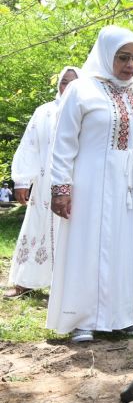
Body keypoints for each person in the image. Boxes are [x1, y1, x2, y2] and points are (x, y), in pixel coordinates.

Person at [47, 26, 133, 342]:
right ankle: (84, 320)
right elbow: (63, 143)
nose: (130, 65)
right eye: (122, 57)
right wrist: (61, 187)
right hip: (90, 185)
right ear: (105, 55)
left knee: (131, 246)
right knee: (90, 246)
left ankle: (128, 316)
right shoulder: (81, 91)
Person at [5, 67, 79, 298]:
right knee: (37, 226)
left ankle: (70, 287)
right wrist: (22, 180)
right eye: (64, 82)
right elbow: (30, 145)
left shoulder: (85, 111)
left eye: (73, 83)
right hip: (45, 182)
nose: (67, 86)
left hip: (76, 184)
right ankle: (26, 281)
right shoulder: (44, 112)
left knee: (71, 230)